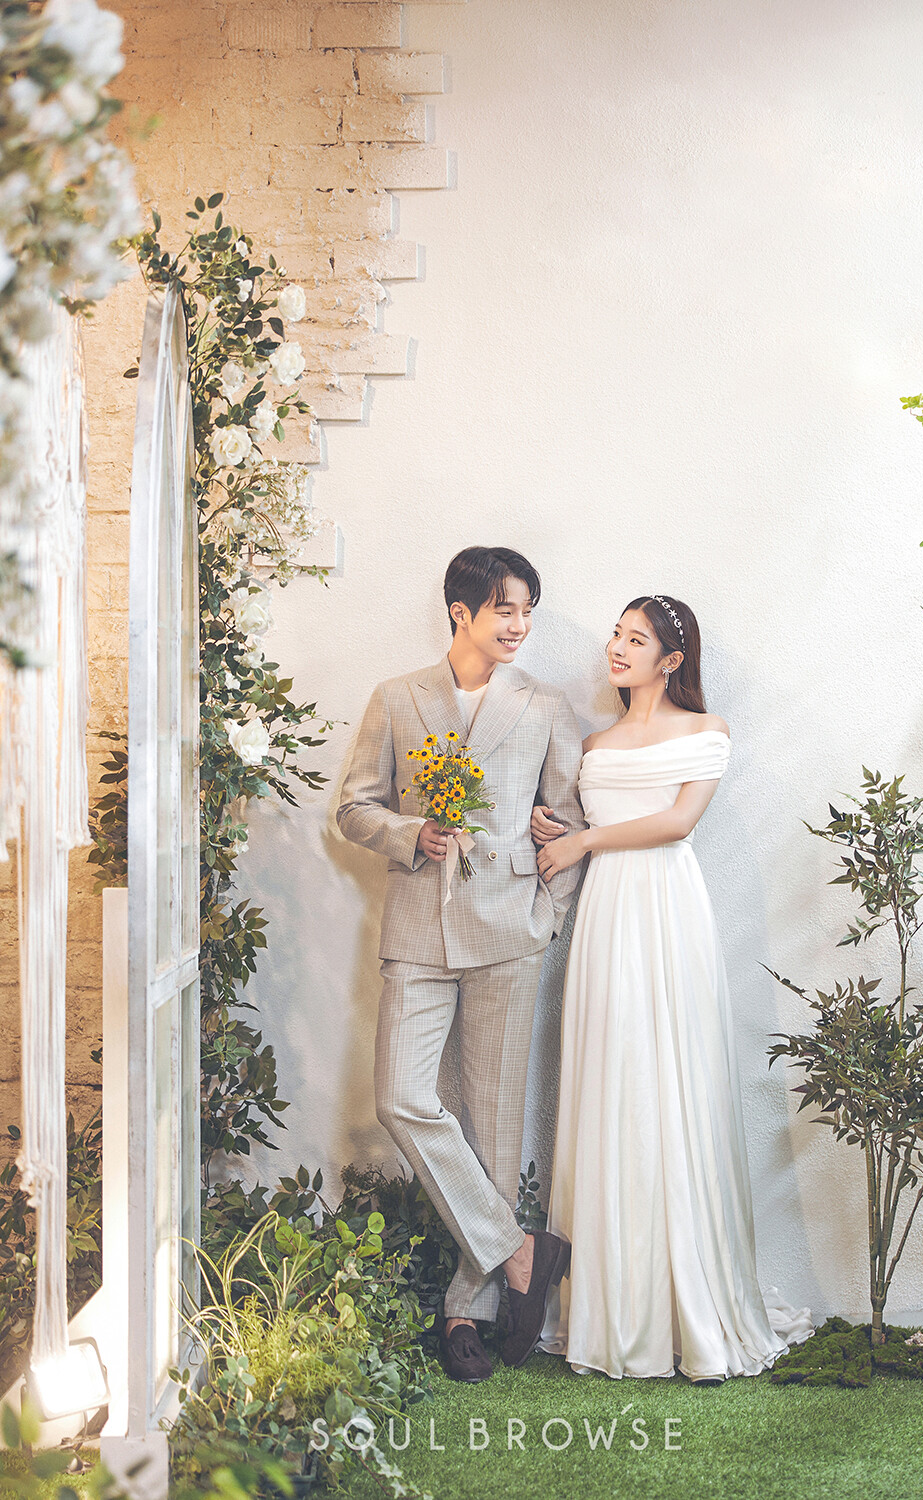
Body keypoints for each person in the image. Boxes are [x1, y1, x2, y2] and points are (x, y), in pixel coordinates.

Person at [531, 593, 813, 1382]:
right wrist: (555, 829)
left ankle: (688, 1306)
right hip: (605, 919)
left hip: (667, 912)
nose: (617, 648)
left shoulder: (706, 731)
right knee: (612, 1084)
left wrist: (585, 838)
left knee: (670, 1083)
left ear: (672, 660)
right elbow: (574, 822)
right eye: (616, 635)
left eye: (635, 639)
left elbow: (678, 822)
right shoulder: (593, 743)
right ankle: (614, 1308)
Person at [336, 546, 584, 1383]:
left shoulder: (545, 705)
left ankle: (463, 1312)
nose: (519, 626)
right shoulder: (396, 697)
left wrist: (548, 913)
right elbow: (353, 808)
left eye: (528, 611)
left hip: (511, 930)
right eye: (505, 609)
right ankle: (519, 1250)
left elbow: (569, 822)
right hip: (418, 927)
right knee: (402, 1098)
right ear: (461, 612)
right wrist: (412, 834)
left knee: (493, 1124)